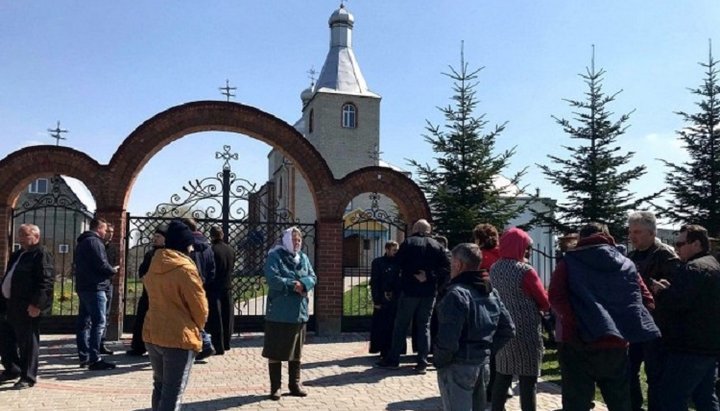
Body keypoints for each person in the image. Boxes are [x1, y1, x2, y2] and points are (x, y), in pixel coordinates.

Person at [549, 222, 660, 411]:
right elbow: (647, 300)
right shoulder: (626, 264)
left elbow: (555, 296)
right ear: (608, 237)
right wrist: (626, 322)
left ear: (581, 239)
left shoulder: (568, 262)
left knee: (576, 403)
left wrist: (575, 321)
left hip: (577, 342)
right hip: (615, 342)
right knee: (619, 402)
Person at [434, 243, 515, 411]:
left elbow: (448, 338)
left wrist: (440, 361)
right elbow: (508, 329)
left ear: (458, 264)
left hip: (458, 365)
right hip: (481, 364)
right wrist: (486, 351)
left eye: (451, 263)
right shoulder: (491, 291)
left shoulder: (456, 294)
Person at [652, 225, 720, 410]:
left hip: (688, 347)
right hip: (709, 346)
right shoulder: (713, 265)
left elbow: (678, 304)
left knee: (671, 397)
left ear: (696, 244)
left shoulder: (693, 269)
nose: (676, 248)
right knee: (705, 397)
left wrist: (661, 292)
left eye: (681, 243)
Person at [143, 220, 208, 411]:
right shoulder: (185, 269)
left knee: (160, 386)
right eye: (189, 244)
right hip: (179, 336)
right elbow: (200, 307)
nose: (191, 248)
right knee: (173, 392)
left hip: (153, 332)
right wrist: (198, 327)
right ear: (183, 245)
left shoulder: (154, 263)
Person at [376, 219, 451, 374]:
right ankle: (422, 362)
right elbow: (446, 269)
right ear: (429, 230)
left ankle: (393, 359)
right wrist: (430, 277)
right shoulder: (437, 246)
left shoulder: (408, 243)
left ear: (415, 228)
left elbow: (397, 266)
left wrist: (390, 288)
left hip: (409, 290)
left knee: (401, 325)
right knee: (424, 326)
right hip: (429, 292)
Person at [489, 227, 550, 411]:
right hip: (526, 328)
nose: (528, 252)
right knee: (528, 378)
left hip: (503, 327)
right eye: (527, 247)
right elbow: (543, 300)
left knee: (503, 374)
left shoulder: (494, 268)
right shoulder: (525, 270)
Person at [626, 211, 678, 410]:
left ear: (652, 232)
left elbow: (678, 288)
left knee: (655, 374)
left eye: (637, 231)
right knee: (629, 371)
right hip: (634, 324)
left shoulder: (665, 254)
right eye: (631, 232)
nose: (632, 236)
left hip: (657, 326)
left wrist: (663, 287)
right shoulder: (630, 256)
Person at [263, 227, 316, 400]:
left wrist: (304, 283)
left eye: (299, 240)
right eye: (293, 239)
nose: (297, 242)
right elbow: (272, 278)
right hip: (279, 312)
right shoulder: (275, 256)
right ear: (286, 240)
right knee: (276, 350)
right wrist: (294, 285)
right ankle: (275, 387)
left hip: (298, 312)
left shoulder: (304, 258)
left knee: (297, 350)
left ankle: (294, 384)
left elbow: (313, 277)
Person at [0, 224, 54, 389]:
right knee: (5, 339)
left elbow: (46, 281)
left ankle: (28, 376)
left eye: (24, 235)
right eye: (19, 235)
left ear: (36, 237)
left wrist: (37, 304)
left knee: (27, 342)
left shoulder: (41, 254)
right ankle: (12, 369)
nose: (20, 238)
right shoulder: (18, 254)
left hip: (27, 306)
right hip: (9, 304)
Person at [74, 217, 119, 371]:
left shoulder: (82, 242)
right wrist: (112, 270)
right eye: (105, 229)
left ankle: (84, 357)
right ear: (99, 228)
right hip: (95, 287)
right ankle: (94, 358)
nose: (106, 232)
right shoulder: (94, 242)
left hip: (84, 286)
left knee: (84, 323)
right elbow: (101, 264)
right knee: (98, 322)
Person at [127, 224, 167, 356]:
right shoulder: (150, 253)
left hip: (162, 295)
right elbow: (142, 271)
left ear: (165, 239)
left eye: (158, 237)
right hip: (148, 293)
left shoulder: (168, 254)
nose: (155, 239)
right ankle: (138, 347)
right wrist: (145, 279)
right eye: (154, 236)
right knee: (142, 320)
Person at [180, 218, 216, 360]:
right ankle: (203, 343)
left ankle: (204, 343)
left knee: (187, 315)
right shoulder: (207, 246)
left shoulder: (187, 245)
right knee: (198, 315)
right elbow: (212, 269)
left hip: (189, 284)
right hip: (202, 285)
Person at [369, 241, 401, 359]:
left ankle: (394, 349)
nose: (396, 252)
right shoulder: (378, 262)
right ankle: (382, 349)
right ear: (387, 249)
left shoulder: (399, 263)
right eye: (394, 250)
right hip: (383, 297)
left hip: (396, 298)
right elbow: (375, 282)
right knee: (381, 325)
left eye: (397, 250)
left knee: (394, 325)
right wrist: (376, 300)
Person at [209, 225, 235, 354]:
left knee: (216, 317)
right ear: (222, 235)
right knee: (227, 315)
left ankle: (218, 346)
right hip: (227, 285)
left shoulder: (211, 250)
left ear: (211, 236)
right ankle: (227, 343)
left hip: (214, 287)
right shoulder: (230, 250)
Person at [100, 223, 117, 356]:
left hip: (108, 284)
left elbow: (115, 264)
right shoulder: (96, 246)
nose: (110, 234)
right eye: (108, 231)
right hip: (97, 284)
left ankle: (102, 342)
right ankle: (93, 343)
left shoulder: (112, 248)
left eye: (112, 232)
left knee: (105, 314)